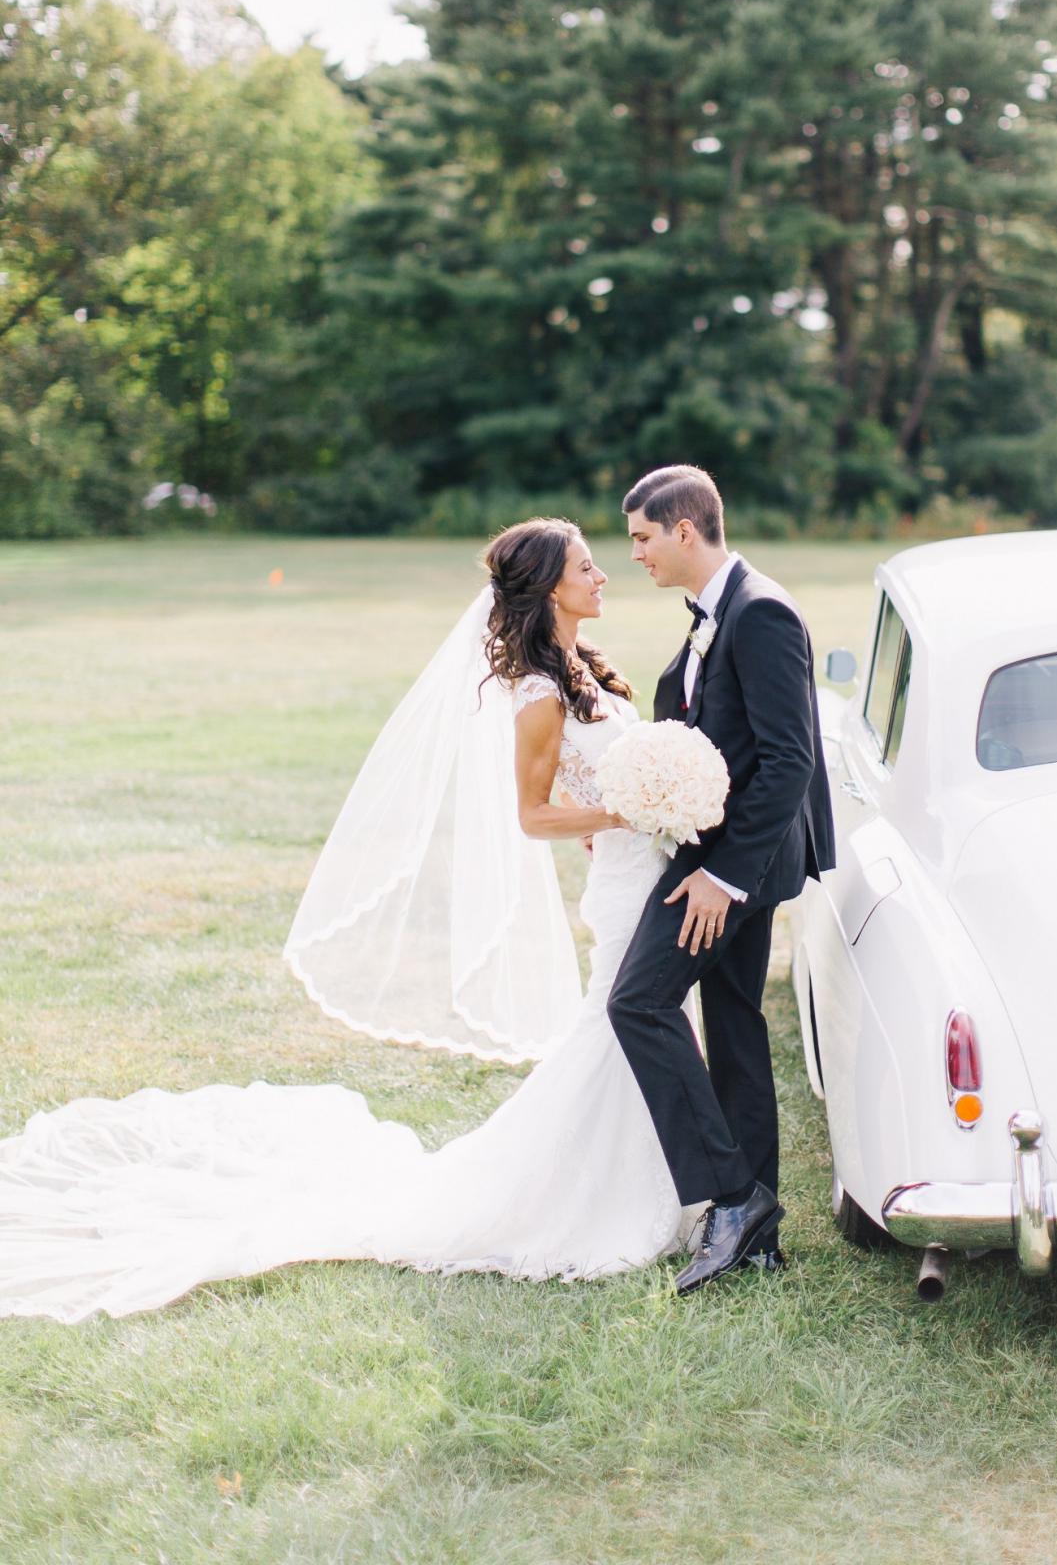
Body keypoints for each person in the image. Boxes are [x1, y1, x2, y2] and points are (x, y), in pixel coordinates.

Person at [0, 519, 697, 1322]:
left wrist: (641, 809)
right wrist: (627, 815)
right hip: (625, 881)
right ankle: (581, 1201)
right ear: (546, 588)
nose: (603, 575)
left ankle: (668, 1184)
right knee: (615, 1031)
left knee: (645, 1025)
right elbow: (534, 817)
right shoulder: (538, 694)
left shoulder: (584, 671)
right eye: (586, 566)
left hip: (636, 873)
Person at [610, 466, 835, 1293]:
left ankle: (734, 1198)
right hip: (716, 856)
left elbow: (789, 760)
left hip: (737, 867)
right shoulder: (716, 610)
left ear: (682, 528)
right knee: (734, 1024)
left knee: (637, 1001)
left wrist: (724, 879)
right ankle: (760, 1235)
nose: (633, 554)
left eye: (640, 537)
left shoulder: (761, 610)